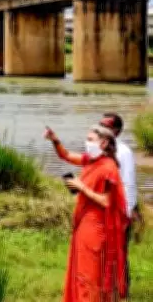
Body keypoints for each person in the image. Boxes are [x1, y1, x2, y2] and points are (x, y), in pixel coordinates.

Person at [44, 124, 129, 302]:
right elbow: (66, 155)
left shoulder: (108, 168)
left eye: (90, 140)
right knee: (81, 268)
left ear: (104, 143)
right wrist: (55, 140)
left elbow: (106, 201)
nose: (87, 143)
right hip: (84, 222)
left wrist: (82, 187)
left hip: (96, 226)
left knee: (90, 273)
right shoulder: (91, 160)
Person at [99, 112, 140, 295]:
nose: (101, 129)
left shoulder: (124, 152)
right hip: (102, 208)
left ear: (116, 131)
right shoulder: (98, 150)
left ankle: (123, 291)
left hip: (119, 210)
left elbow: (128, 183)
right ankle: (106, 289)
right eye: (100, 124)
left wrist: (128, 212)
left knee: (120, 251)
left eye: (106, 126)